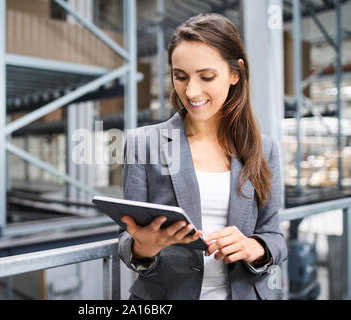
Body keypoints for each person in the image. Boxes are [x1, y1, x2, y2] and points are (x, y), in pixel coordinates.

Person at [119, 13, 287, 300]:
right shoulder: (142, 143)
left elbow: (275, 237)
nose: (191, 91)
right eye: (180, 76)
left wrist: (253, 247)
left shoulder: (263, 148)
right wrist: (144, 247)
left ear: (236, 73)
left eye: (206, 76)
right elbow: (126, 239)